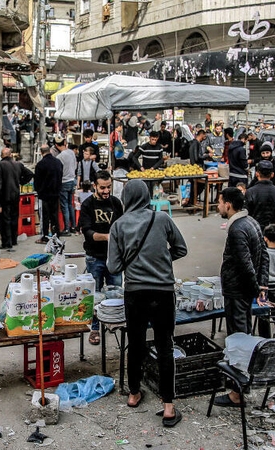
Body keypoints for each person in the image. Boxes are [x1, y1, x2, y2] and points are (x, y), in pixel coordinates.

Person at [106, 179, 187, 427]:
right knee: (165, 346)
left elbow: (113, 267)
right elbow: (181, 249)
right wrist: (161, 259)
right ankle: (169, 406)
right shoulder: (162, 219)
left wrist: (133, 263)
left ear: (126, 198)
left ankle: (133, 393)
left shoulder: (118, 226)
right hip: (163, 292)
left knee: (136, 344)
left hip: (135, 293)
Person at [213, 187, 268, 408]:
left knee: (238, 339)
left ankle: (237, 392)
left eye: (219, 202)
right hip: (244, 290)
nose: (218, 206)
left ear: (228, 204)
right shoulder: (251, 222)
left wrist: (256, 288)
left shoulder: (237, 229)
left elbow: (246, 265)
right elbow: (264, 255)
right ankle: (241, 385)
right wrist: (261, 285)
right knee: (244, 333)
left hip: (238, 291)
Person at [79, 170, 124, 345]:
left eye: (109, 187)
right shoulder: (87, 205)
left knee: (116, 293)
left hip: (114, 258)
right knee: (95, 296)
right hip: (94, 258)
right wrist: (108, 237)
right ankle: (95, 328)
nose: (106, 191)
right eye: (102, 188)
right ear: (95, 186)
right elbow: (88, 233)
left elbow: (122, 225)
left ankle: (114, 324)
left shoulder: (116, 203)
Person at [0, 147, 34, 252]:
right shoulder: (18, 164)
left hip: (4, 197)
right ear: (11, 155)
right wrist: (21, 182)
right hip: (15, 195)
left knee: (5, 220)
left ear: (2, 155)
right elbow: (30, 174)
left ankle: (7, 242)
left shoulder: (0, 166)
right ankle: (14, 239)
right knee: (14, 217)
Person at [245, 160, 275, 249]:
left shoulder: (250, 192)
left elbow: (246, 217)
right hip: (274, 238)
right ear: (272, 174)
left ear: (257, 174)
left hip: (255, 235)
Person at [34, 144, 63, 244]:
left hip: (45, 195)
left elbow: (37, 181)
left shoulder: (40, 164)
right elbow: (60, 176)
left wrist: (39, 191)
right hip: (56, 193)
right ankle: (56, 235)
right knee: (54, 216)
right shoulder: (58, 162)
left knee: (45, 217)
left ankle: (45, 237)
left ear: (41, 152)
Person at [55, 135, 77, 235]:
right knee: (70, 204)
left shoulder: (59, 157)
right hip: (72, 180)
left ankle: (67, 229)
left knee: (64, 206)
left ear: (56, 145)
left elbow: (58, 171)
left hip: (64, 182)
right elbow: (75, 165)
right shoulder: (71, 152)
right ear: (64, 143)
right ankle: (73, 226)